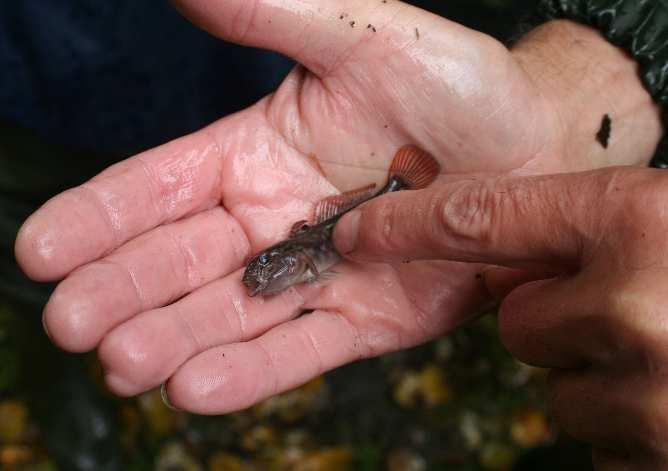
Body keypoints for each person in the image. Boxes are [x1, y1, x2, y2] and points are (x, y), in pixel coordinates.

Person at [13, 0, 668, 468]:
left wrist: (573, 105)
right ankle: (57, 349)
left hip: (276, 95)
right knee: (49, 212)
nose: (263, 274)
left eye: (269, 271)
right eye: (265, 272)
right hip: (43, 78)